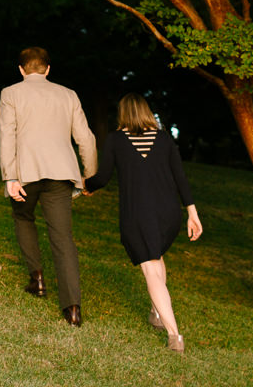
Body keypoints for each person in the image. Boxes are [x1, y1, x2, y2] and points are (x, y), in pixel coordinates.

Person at [84, 92, 204, 353]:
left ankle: (175, 335)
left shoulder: (116, 140)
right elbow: (180, 178)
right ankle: (156, 314)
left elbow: (103, 177)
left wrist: (86, 185)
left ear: (123, 114)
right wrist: (192, 213)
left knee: (150, 268)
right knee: (157, 257)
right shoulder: (163, 139)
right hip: (169, 214)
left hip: (139, 214)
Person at [0, 46, 97, 326]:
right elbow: (86, 139)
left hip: (26, 173)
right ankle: (73, 308)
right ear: (48, 69)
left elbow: (8, 135)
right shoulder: (68, 95)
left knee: (22, 216)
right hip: (61, 175)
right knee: (63, 238)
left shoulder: (11, 93)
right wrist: (88, 174)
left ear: (21, 70)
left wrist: (10, 177)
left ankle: (37, 278)